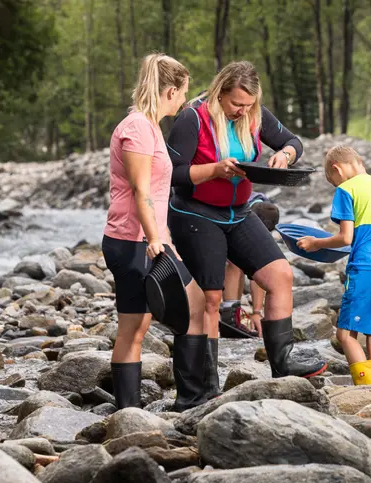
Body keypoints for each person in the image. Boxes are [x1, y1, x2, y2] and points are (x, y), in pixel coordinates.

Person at [166, 60, 326, 379]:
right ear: (220, 93)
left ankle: (283, 363)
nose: (242, 111)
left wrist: (285, 156)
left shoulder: (255, 114)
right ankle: (203, 380)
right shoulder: (191, 118)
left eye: (248, 105)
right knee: (211, 297)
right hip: (195, 213)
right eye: (236, 104)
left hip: (238, 212)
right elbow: (173, 174)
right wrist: (215, 169)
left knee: (280, 276)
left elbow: (294, 142)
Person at [101, 53, 210, 411]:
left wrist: (164, 237)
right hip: (132, 242)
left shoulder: (149, 127)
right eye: (182, 94)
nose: (183, 101)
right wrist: (155, 239)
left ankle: (188, 397)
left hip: (147, 238)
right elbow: (141, 190)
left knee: (151, 321)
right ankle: (135, 410)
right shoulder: (136, 129)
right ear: (170, 90)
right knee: (139, 325)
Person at [297, 145, 371, 384]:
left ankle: (366, 388)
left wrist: (316, 243)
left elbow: (346, 238)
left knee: (345, 334)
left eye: (332, 180)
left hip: (366, 269)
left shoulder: (346, 189)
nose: (335, 185)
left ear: (337, 169)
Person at [219, 194, 280, 338]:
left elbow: (259, 266)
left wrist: (257, 312)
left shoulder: (270, 211)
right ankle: (229, 316)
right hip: (218, 217)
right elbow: (232, 264)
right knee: (235, 264)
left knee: (257, 259)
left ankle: (234, 313)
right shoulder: (239, 211)